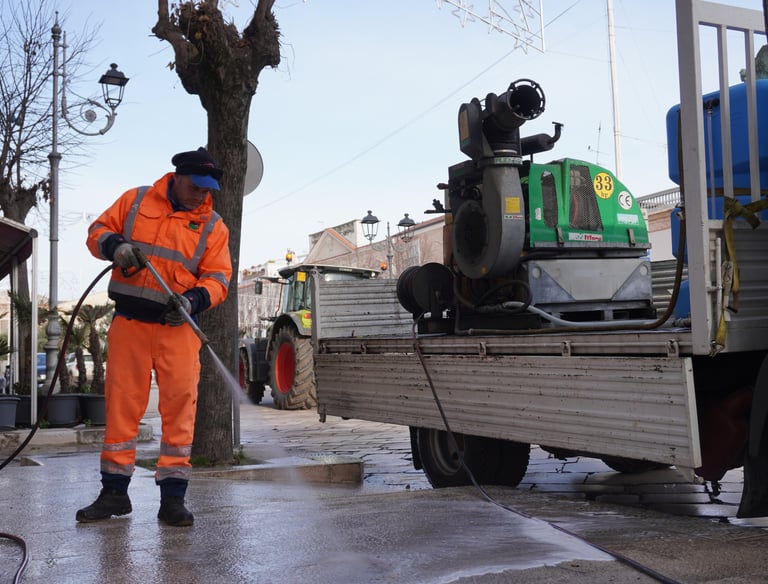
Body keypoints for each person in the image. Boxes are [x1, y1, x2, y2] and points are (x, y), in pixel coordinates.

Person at [76, 147, 232, 527]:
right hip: (129, 324)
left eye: (207, 190)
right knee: (121, 409)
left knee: (180, 413)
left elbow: (219, 279)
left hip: (178, 330)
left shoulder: (213, 226)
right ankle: (114, 494)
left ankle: (173, 500)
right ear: (177, 177)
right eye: (195, 187)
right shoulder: (136, 201)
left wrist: (193, 299)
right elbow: (96, 232)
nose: (201, 195)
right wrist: (116, 247)